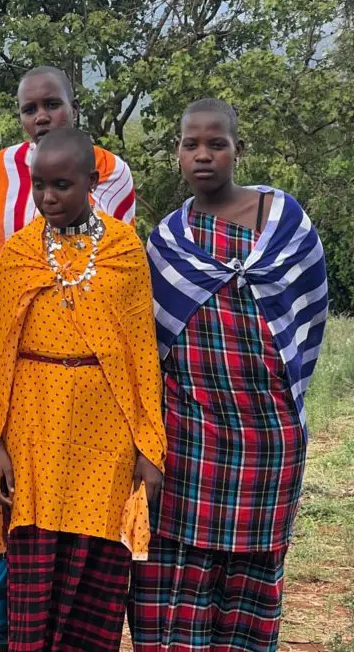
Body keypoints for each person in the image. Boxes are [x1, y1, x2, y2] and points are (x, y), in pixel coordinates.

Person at [0, 66, 138, 648]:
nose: (40, 117)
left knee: (86, 544)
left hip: (92, 398)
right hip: (23, 384)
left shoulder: (108, 169)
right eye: (30, 109)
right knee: (21, 538)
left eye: (52, 105)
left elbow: (105, 278)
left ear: (73, 107)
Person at [131, 99, 329, 651]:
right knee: (172, 595)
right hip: (188, 442)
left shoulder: (287, 226)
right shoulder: (167, 245)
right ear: (176, 153)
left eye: (216, 144)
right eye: (191, 144)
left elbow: (309, 321)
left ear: (238, 149)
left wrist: (286, 395)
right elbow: (150, 348)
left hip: (269, 441)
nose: (202, 155)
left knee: (249, 597)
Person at [0, 127, 166, 652]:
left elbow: (141, 353)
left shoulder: (125, 249)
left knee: (96, 577)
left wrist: (149, 448)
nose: (47, 197)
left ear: (93, 180)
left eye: (61, 184)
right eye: (39, 185)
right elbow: (0, 358)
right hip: (33, 432)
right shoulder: (18, 253)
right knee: (33, 583)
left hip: (104, 436)